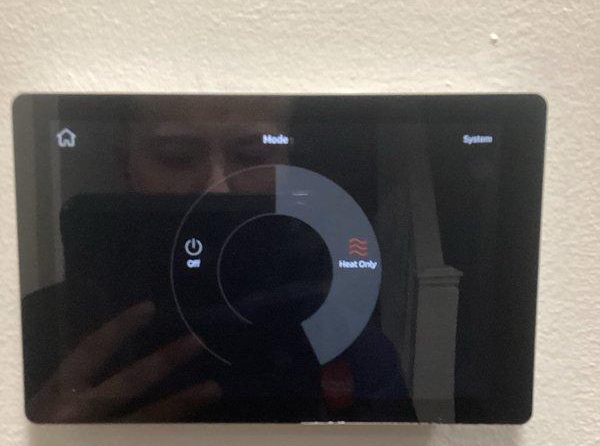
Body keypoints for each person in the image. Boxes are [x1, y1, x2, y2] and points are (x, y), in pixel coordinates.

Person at [24, 96, 411, 422]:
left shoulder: (346, 344)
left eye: (254, 155)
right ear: (126, 165)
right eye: (175, 157)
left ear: (287, 165)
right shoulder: (38, 331)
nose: (216, 190)